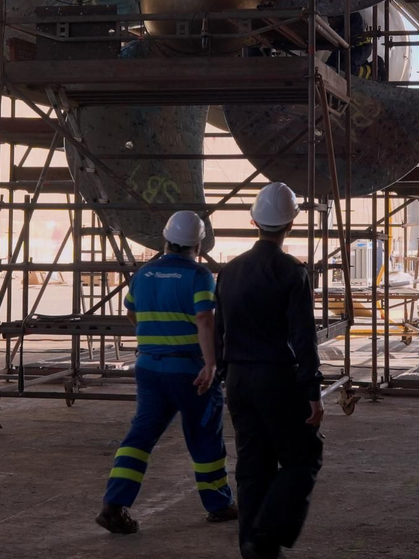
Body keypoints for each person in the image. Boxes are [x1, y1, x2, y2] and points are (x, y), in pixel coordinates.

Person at [96, 210, 236, 535]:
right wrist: (211, 363)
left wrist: (154, 338)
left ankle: (114, 504)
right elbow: (205, 319)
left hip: (149, 367)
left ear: (165, 239)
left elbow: (132, 313)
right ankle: (218, 504)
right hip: (189, 370)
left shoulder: (144, 274)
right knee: (204, 436)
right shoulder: (199, 275)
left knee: (140, 435)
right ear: (198, 244)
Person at [216, 182, 325, 559]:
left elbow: (219, 330)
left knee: (252, 464)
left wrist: (218, 376)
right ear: (291, 224)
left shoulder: (229, 271)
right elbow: (303, 337)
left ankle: (252, 545)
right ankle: (267, 531)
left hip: (238, 381)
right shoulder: (292, 272)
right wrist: (312, 391)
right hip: (276, 379)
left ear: (254, 221)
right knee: (302, 457)